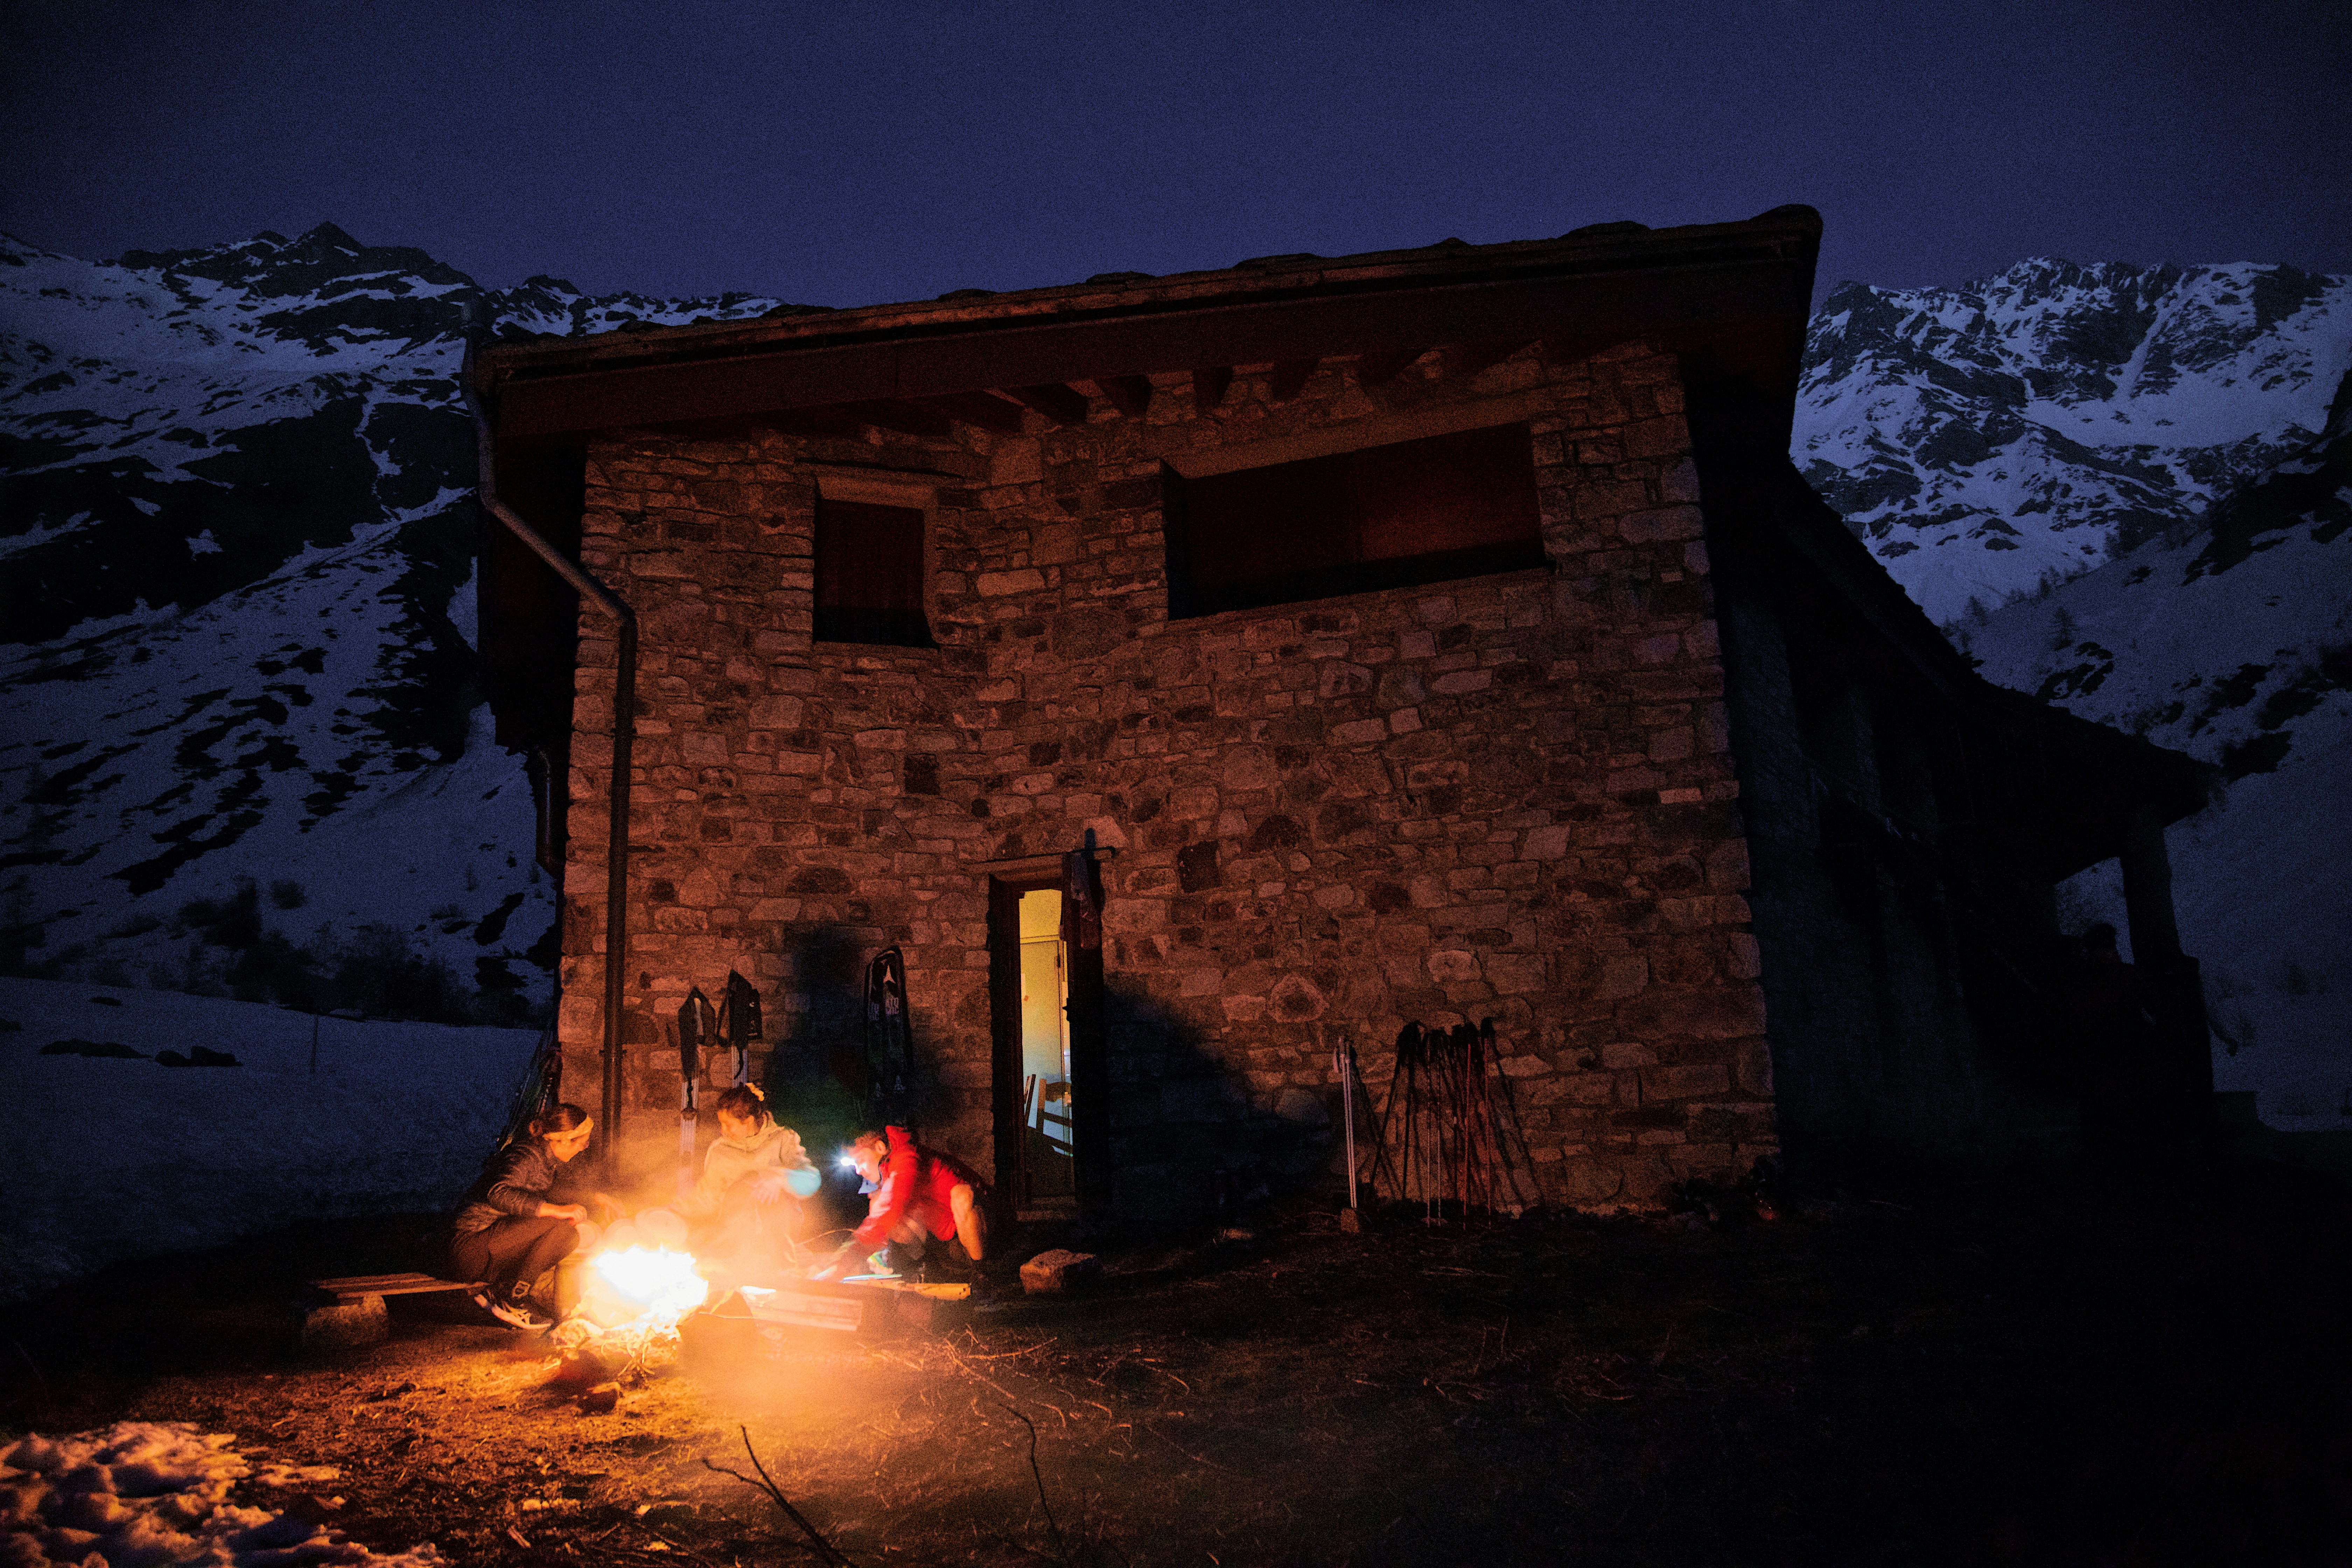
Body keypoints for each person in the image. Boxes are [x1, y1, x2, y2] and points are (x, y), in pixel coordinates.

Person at [449, 1103, 613, 1330]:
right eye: (583, 1142)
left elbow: (551, 1191)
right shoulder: (525, 1155)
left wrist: (595, 1198)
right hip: (471, 1248)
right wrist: (556, 1210)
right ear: (564, 1140)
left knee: (566, 1233)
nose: (585, 1148)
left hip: (493, 1246)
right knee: (559, 1226)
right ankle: (509, 1299)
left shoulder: (544, 1158)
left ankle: (506, 1293)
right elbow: (498, 1193)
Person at [676, 1085, 820, 1280]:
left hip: (779, 1239)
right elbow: (708, 1197)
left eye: (729, 1125)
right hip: (736, 1238)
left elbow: (811, 1180)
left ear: (749, 1121)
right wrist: (678, 1213)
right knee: (742, 1189)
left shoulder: (782, 1139)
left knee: (762, 1183)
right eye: (721, 1124)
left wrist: (779, 1178)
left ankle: (780, 1266)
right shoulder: (720, 1151)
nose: (723, 1130)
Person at [811, 1125, 987, 1282]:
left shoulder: (905, 1156)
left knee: (961, 1195)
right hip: (949, 1240)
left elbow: (892, 1205)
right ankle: (921, 1271)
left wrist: (845, 1261)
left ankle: (984, 1277)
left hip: (985, 1220)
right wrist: (856, 1257)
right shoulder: (885, 1176)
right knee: (883, 1213)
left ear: (880, 1148)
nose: (858, 1170)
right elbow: (879, 1221)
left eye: (860, 1160)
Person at [2057, 922, 2167, 1163]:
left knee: (2108, 1119)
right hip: (2128, 1057)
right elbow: (2157, 1007)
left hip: (2102, 1061)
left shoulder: (2079, 983)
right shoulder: (2127, 976)